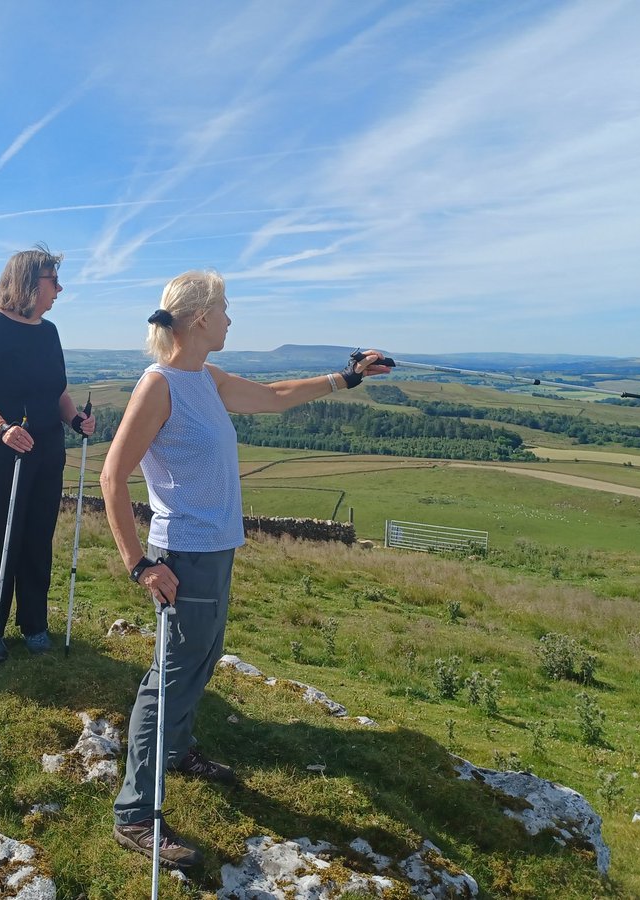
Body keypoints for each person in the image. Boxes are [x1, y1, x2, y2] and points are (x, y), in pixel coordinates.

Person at [99, 270, 391, 868]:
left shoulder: (203, 379)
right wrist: (140, 565)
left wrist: (346, 377)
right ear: (200, 318)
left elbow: (276, 396)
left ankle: (176, 752)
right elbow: (112, 476)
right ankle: (134, 813)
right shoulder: (159, 385)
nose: (231, 319)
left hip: (215, 550)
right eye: (226, 309)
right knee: (170, 676)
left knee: (200, 660)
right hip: (182, 556)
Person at [0, 245, 96, 662]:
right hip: (0, 452)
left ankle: (34, 623)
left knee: (39, 535)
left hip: (46, 449)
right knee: (1, 539)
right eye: (52, 281)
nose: (59, 288)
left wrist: (75, 421)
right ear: (27, 283)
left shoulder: (48, 331)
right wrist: (2, 428)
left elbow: (57, 392)